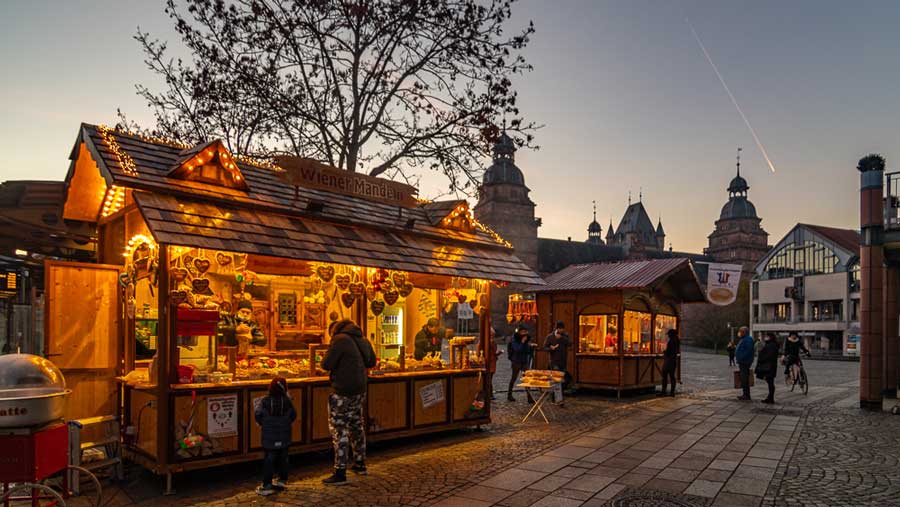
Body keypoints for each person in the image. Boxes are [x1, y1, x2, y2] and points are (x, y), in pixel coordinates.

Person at [320, 319, 377, 485]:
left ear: (334, 330)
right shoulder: (362, 338)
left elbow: (326, 364)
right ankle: (360, 463)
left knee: (339, 429)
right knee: (356, 425)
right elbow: (371, 362)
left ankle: (340, 471)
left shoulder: (339, 340)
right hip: (360, 389)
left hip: (342, 390)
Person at [254, 377, 297, 496]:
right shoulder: (288, 401)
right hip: (284, 435)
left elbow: (258, 415)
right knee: (284, 457)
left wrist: (264, 424)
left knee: (269, 458)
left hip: (269, 436)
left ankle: (267, 485)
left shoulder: (265, 401)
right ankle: (282, 480)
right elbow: (294, 415)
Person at [507, 326, 536, 403]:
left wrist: (530, 346)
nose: (525, 333)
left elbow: (526, 350)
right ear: (519, 332)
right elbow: (517, 349)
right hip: (516, 361)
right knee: (513, 378)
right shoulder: (514, 338)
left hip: (524, 361)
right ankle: (509, 395)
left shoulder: (527, 338)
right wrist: (522, 342)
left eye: (525, 331)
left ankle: (529, 397)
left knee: (527, 378)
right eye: (523, 332)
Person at [543, 321, 571, 397]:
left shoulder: (565, 336)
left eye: (562, 329)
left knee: (563, 379)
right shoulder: (550, 336)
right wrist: (551, 348)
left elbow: (569, 343)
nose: (562, 330)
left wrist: (562, 338)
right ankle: (557, 397)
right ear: (557, 328)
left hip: (563, 361)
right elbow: (545, 347)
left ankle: (558, 394)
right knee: (556, 379)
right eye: (560, 328)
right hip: (554, 361)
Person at [755, 333, 780, 404]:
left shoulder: (771, 345)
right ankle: (770, 397)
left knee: (770, 382)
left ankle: (771, 398)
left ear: (770, 337)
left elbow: (768, 355)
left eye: (767, 336)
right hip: (770, 366)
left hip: (769, 366)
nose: (765, 337)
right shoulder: (770, 344)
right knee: (770, 382)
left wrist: (761, 356)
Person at [734, 326, 755, 401]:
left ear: (744, 332)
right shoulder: (744, 339)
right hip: (742, 361)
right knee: (743, 378)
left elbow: (748, 351)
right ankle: (745, 394)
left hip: (745, 361)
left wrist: (741, 357)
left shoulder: (748, 339)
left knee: (744, 378)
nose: (739, 333)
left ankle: (746, 395)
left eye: (740, 331)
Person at [658, 329, 680, 396]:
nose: (668, 336)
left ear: (671, 334)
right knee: (672, 377)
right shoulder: (677, 340)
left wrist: (665, 352)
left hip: (669, 361)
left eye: (669, 334)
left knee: (664, 376)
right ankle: (672, 392)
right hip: (673, 361)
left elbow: (670, 351)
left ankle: (663, 392)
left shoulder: (672, 341)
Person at [485, 327, 503, 400]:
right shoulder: (485, 342)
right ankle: (489, 394)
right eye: (491, 334)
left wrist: (498, 353)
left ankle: (490, 394)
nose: (492, 336)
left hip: (492, 363)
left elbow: (493, 353)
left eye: (493, 335)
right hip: (487, 362)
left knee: (489, 379)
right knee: (488, 379)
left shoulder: (493, 342)